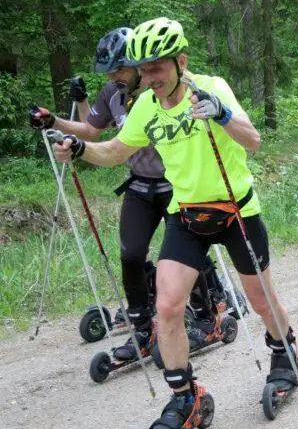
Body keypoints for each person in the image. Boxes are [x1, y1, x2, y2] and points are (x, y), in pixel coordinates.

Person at [53, 17, 298, 429]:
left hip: (236, 211)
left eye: (158, 67)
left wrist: (221, 114)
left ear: (180, 61)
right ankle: (185, 397)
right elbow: (115, 151)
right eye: (144, 69)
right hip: (187, 216)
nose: (149, 77)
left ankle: (284, 353)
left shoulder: (213, 88)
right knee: (167, 307)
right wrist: (79, 148)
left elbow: (253, 139)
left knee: (261, 301)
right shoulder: (146, 105)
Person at [30, 27, 183, 361]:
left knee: (181, 255)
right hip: (140, 185)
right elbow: (92, 130)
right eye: (110, 71)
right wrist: (54, 120)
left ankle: (206, 305)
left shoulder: (160, 92)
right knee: (131, 256)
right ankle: (143, 330)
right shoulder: (114, 93)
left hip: (175, 185)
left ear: (137, 64)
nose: (114, 76)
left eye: (119, 69)